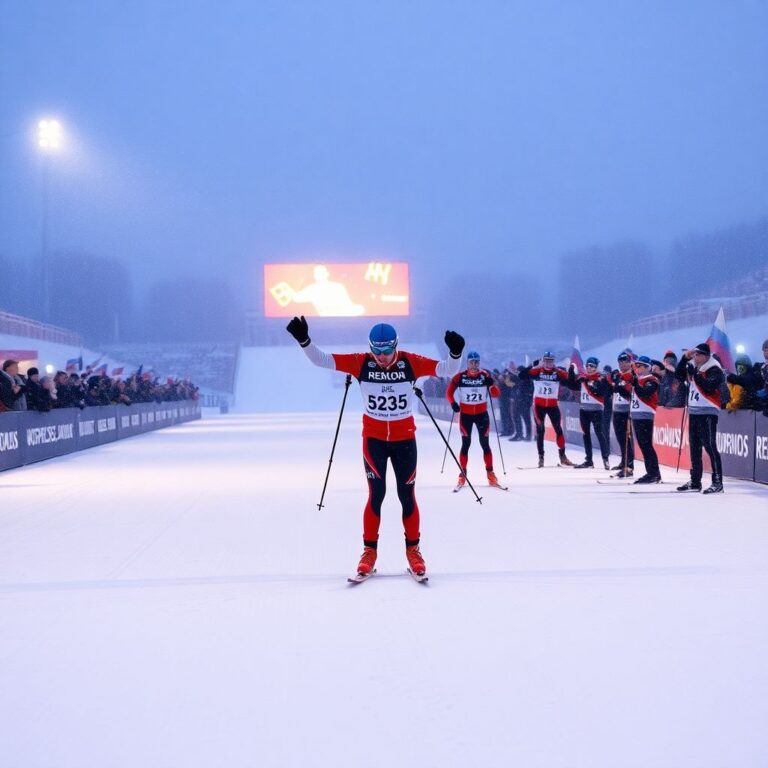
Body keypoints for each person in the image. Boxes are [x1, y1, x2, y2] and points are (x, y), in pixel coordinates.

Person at [286, 315, 465, 577]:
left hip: (405, 440)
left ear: (396, 345)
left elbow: (447, 369)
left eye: (387, 349)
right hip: (374, 441)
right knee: (376, 495)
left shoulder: (410, 362)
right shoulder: (361, 363)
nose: (382, 356)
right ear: (370, 347)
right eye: (377, 350)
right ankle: (369, 552)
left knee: (407, 496)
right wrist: (304, 340)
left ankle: (413, 550)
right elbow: (322, 360)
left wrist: (455, 352)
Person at [446, 351, 503, 489]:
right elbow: (448, 392)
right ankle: (462, 474)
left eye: (476, 362)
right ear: (467, 363)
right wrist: (453, 403)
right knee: (466, 444)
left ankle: (490, 473)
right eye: (471, 362)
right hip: (465, 416)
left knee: (485, 444)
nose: (474, 365)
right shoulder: (460, 377)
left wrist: (493, 385)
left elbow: (496, 394)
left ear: (479, 363)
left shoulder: (485, 375)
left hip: (481, 415)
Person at [675, 342, 725, 494]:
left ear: (705, 356)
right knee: (694, 448)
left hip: (708, 412)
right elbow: (678, 375)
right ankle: (695, 481)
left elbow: (708, 386)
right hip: (695, 412)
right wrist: (684, 359)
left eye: (697, 355)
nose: (695, 358)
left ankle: (717, 482)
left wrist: (695, 374)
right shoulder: (696, 367)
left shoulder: (714, 368)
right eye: (694, 355)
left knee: (710, 446)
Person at [518, 351, 573, 467]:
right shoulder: (537, 371)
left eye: (551, 360)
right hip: (538, 406)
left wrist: (571, 371)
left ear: (554, 361)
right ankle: (541, 457)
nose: (549, 363)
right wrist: (532, 366)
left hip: (552, 405)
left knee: (558, 430)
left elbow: (570, 382)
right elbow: (521, 376)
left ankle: (562, 456)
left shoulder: (557, 372)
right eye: (546, 360)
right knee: (540, 430)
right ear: (543, 360)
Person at [567, 356, 610, 469]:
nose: (589, 368)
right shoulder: (583, 378)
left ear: (596, 367)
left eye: (592, 366)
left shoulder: (600, 378)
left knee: (599, 433)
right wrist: (571, 372)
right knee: (586, 435)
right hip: (584, 410)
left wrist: (592, 384)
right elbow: (571, 385)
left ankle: (605, 458)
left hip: (596, 410)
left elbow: (602, 391)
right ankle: (589, 460)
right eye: (588, 365)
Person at [629, 356, 662, 484]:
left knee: (646, 445)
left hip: (645, 416)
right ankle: (651, 472)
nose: (638, 368)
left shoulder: (651, 380)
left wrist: (635, 384)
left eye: (641, 365)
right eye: (637, 365)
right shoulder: (638, 379)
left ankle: (653, 473)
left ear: (647, 367)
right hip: (637, 415)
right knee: (643, 446)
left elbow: (645, 393)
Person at [609, 352, 635, 477]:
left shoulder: (632, 375)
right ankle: (623, 462)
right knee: (620, 438)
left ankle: (629, 466)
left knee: (626, 439)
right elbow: (610, 389)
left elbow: (629, 392)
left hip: (627, 410)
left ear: (630, 362)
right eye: (620, 361)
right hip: (617, 409)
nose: (622, 364)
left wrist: (618, 385)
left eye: (625, 361)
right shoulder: (617, 374)